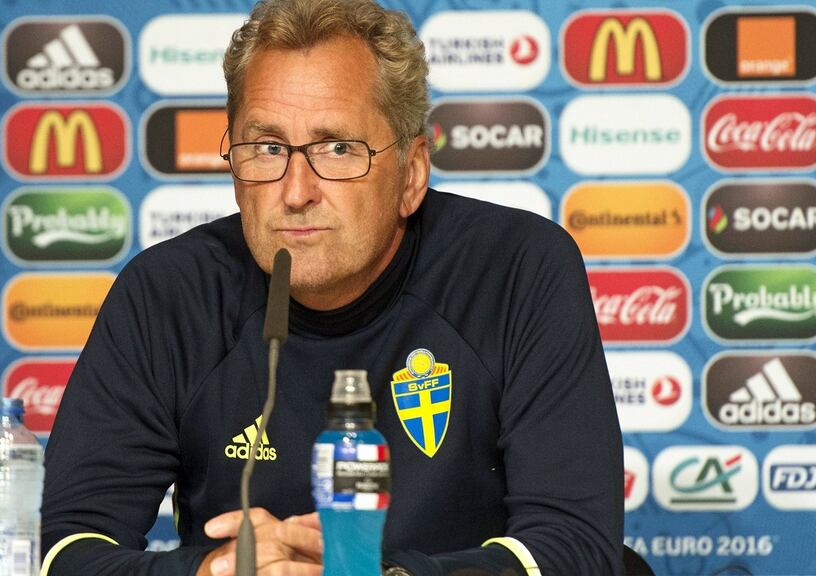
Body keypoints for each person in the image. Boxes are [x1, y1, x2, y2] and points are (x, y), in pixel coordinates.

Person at [40, 0, 623, 574]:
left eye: (337, 148)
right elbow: (63, 549)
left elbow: (576, 545)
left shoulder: (515, 270)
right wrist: (211, 572)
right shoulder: (166, 295)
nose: (295, 192)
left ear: (412, 175)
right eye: (267, 148)